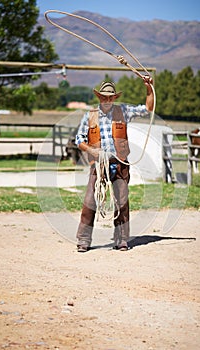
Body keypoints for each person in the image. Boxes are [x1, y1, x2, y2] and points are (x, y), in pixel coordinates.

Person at [75, 77, 154, 252]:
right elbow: (79, 139)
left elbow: (148, 109)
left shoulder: (123, 111)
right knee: (90, 202)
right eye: (104, 96)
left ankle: (122, 239)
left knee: (122, 201)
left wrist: (149, 89)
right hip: (98, 164)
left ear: (114, 98)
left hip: (120, 164)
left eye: (110, 97)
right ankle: (83, 240)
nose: (107, 99)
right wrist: (92, 151)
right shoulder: (89, 116)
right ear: (99, 97)